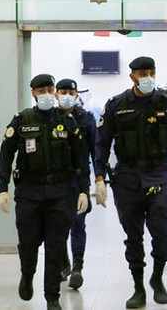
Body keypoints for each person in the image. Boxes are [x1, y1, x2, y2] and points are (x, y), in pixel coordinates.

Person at [94, 56, 167, 308]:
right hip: (127, 177)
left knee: (163, 232)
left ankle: (157, 277)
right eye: (142, 73)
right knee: (133, 236)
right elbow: (101, 144)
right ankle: (138, 287)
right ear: (132, 77)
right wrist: (99, 178)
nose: (147, 77)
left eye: (150, 72)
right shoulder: (116, 105)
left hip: (159, 173)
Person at [0, 74, 90, 310]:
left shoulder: (66, 121)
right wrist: (2, 188)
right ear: (33, 93)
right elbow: (6, 154)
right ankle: (27, 275)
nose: (47, 94)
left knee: (55, 247)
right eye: (41, 91)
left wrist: (84, 191)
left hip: (60, 194)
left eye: (50, 89)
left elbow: (81, 157)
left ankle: (52, 297)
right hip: (29, 194)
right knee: (28, 244)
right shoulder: (22, 121)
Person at [55, 78, 97, 289]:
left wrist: (100, 179)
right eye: (62, 92)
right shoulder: (51, 117)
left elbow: (96, 150)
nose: (66, 96)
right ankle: (64, 263)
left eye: (70, 93)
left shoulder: (86, 119)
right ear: (56, 94)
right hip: (56, 180)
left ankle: (78, 267)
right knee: (57, 224)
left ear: (76, 95)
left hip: (79, 179)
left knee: (78, 223)